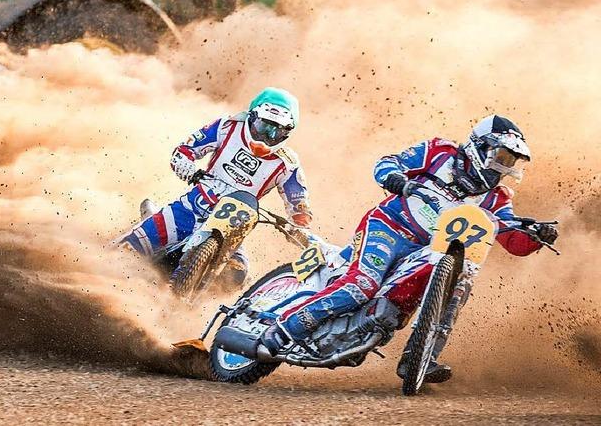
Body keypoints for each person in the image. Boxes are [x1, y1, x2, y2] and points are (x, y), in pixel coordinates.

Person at [260, 114, 559, 383]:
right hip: (388, 227)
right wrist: (394, 178)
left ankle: (420, 358)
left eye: (510, 162)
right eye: (501, 156)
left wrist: (538, 236)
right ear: (479, 147)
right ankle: (285, 329)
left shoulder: (497, 197)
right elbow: (388, 162)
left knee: (460, 282)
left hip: (428, 250)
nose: (502, 167)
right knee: (361, 285)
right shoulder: (439, 152)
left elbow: (512, 240)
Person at [121, 87, 312, 288]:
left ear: (287, 132)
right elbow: (184, 150)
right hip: (189, 210)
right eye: (263, 126)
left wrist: (299, 226)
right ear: (252, 116)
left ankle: (192, 311)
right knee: (128, 247)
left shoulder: (287, 164)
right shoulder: (226, 127)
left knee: (238, 275)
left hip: (233, 229)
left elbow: (299, 204)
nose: (267, 136)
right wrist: (187, 167)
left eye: (277, 131)